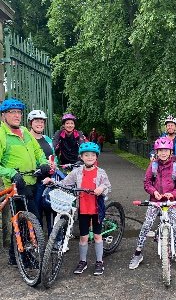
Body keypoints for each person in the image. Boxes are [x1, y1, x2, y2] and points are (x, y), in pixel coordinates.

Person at [44, 142, 111, 276]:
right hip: (83, 209)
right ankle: (83, 261)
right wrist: (53, 181)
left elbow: (108, 186)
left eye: (92, 155)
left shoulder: (101, 172)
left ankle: (99, 262)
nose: (90, 157)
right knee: (83, 237)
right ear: (81, 157)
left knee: (97, 236)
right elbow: (65, 183)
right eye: (86, 155)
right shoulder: (77, 172)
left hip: (96, 209)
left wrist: (101, 188)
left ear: (96, 157)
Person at [0, 99, 51, 265]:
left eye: (19, 112)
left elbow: (37, 151)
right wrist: (12, 173)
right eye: (12, 112)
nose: (16, 115)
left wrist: (43, 163)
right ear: (3, 116)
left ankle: (14, 257)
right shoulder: (2, 134)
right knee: (29, 219)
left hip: (32, 181)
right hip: (15, 186)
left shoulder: (24, 131)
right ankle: (24, 257)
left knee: (25, 220)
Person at [129, 137, 176, 269]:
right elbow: (147, 183)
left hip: (170, 202)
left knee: (175, 226)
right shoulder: (153, 166)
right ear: (156, 152)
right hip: (155, 202)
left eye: (166, 150)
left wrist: (172, 194)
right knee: (146, 225)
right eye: (160, 150)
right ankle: (138, 253)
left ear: (170, 151)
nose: (163, 153)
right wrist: (153, 192)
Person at [27, 109, 56, 235]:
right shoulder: (26, 139)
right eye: (36, 121)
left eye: (42, 121)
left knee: (52, 211)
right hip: (36, 180)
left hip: (50, 180)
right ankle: (38, 241)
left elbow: (54, 156)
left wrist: (55, 165)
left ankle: (54, 240)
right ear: (30, 123)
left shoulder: (47, 139)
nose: (40, 124)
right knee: (37, 213)